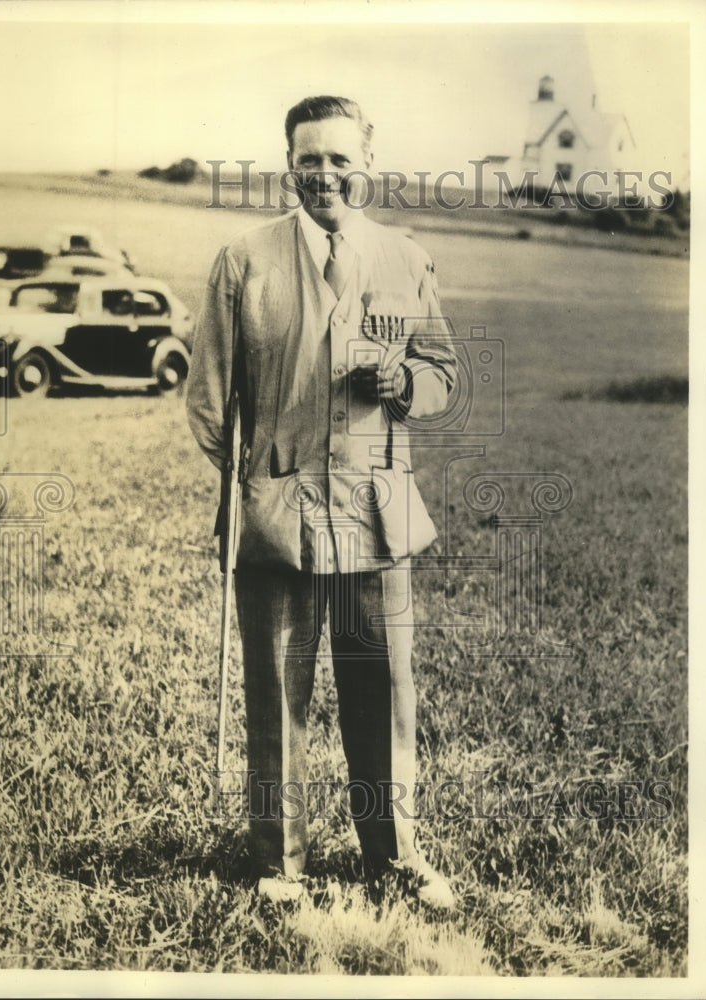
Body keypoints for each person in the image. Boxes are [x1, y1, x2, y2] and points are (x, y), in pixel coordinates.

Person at [186, 95, 458, 908]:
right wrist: (255, 480)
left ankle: (393, 856)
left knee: (382, 689)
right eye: (310, 159)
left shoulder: (405, 258)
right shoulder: (243, 262)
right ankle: (279, 864)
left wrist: (406, 381)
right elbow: (207, 403)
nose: (325, 175)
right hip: (277, 517)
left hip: (377, 515)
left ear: (366, 164)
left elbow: (441, 375)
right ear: (289, 165)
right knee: (278, 692)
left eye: (340, 159)